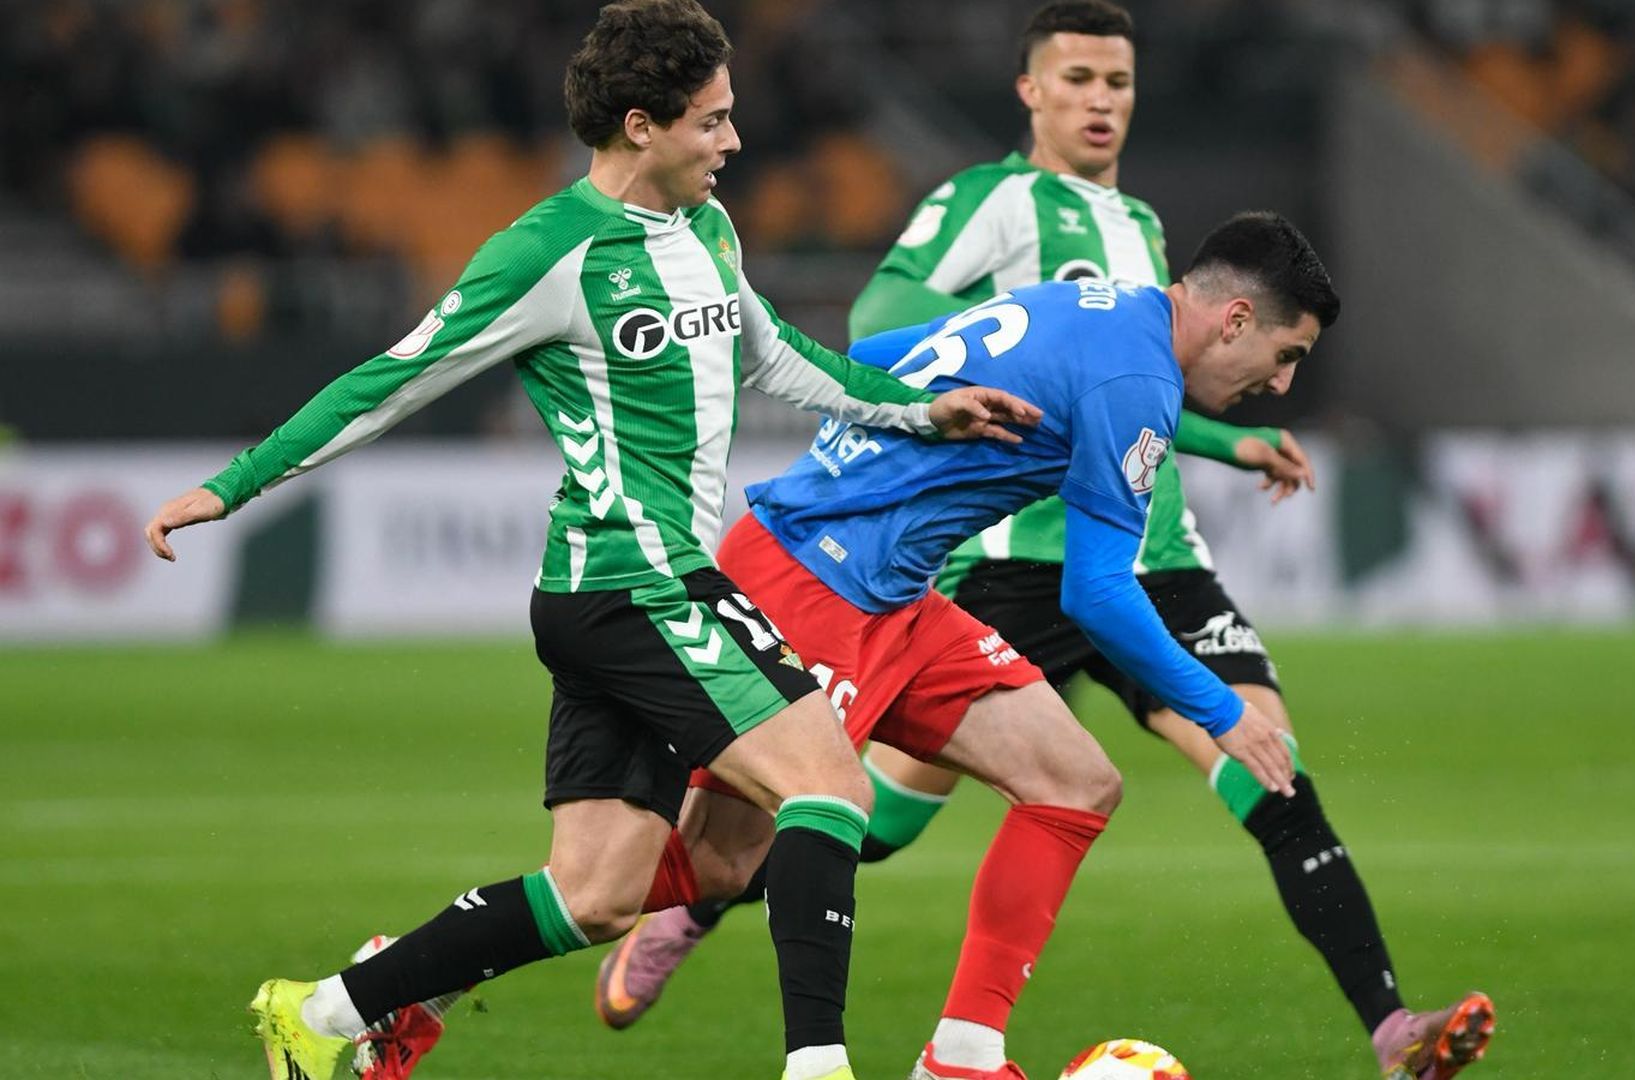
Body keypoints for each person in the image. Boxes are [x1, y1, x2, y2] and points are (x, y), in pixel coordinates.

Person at [141, 4, 1037, 1080]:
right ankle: (818, 1067)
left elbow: (777, 353)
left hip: (626, 596)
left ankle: (323, 1013)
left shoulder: (707, 230)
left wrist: (918, 410)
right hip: (635, 584)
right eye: (712, 122)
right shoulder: (546, 252)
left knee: (600, 895)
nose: (734, 142)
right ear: (640, 125)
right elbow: (391, 379)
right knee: (830, 789)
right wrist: (234, 486)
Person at [606, 4, 1496, 1079]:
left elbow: (1144, 395)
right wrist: (957, 392)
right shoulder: (986, 201)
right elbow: (885, 324)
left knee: (1269, 770)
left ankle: (1392, 1031)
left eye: (1118, 81)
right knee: (866, 819)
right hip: (1005, 560)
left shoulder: (1147, 235)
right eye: (1076, 78)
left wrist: (1221, 440)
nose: (1101, 100)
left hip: (1148, 554)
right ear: (1030, 91)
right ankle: (699, 892)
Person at [624, 213, 1324, 1080]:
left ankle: (963, 1054)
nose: (1285, 384)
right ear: (1237, 320)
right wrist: (1221, 711)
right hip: (817, 581)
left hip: (896, 594)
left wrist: (909, 425)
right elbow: (1098, 593)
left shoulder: (1094, 305)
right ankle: (419, 971)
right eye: (1288, 355)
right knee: (695, 864)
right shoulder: (1135, 375)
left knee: (1075, 783)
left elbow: (884, 347)